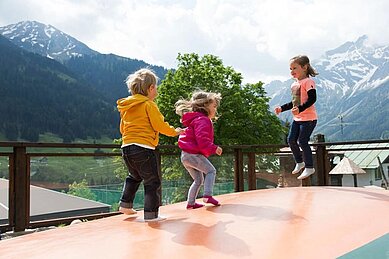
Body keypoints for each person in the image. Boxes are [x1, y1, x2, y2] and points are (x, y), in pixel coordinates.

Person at [117, 68, 182, 222]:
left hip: (126, 147)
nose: (156, 90)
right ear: (150, 88)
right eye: (156, 87)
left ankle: (125, 204)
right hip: (143, 148)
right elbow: (159, 125)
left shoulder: (127, 107)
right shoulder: (149, 105)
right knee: (152, 181)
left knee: (134, 176)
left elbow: (122, 128)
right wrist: (175, 131)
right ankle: (151, 215)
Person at [175, 90, 223, 209]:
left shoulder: (194, 119)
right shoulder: (203, 120)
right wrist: (214, 148)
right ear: (205, 106)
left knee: (198, 179)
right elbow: (202, 139)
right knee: (211, 171)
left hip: (185, 155)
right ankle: (207, 195)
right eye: (214, 106)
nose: (215, 110)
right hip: (193, 155)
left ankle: (191, 203)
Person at [274, 55, 319, 180]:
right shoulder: (295, 85)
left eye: (294, 68)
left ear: (304, 67)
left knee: (303, 141)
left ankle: (309, 167)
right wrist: (281, 108)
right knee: (291, 140)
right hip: (298, 119)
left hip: (309, 119)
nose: (292, 71)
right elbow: (294, 103)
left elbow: (312, 99)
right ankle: (300, 162)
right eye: (290, 69)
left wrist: (300, 109)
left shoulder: (308, 82)